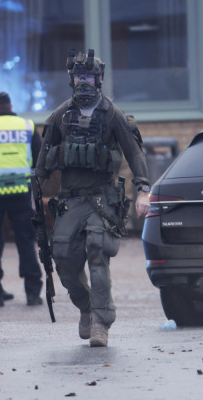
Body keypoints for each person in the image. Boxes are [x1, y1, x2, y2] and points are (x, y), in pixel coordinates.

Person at [35, 49, 150, 347]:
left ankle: (101, 320)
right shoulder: (61, 115)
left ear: (98, 79)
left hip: (102, 198)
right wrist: (33, 194)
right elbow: (44, 161)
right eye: (78, 77)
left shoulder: (113, 115)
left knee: (98, 255)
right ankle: (86, 307)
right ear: (71, 80)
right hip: (70, 199)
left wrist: (143, 190)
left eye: (88, 77)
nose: (82, 82)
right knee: (64, 260)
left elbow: (135, 153)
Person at [0, 91, 43, 308]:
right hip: (20, 190)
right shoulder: (27, 125)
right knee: (25, 240)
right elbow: (40, 157)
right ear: (11, 106)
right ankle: (33, 292)